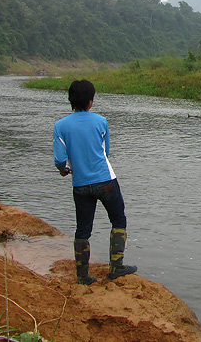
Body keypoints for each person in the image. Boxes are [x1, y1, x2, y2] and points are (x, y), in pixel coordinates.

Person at [53, 79, 137, 284]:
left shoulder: (60, 126)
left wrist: (65, 170)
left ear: (70, 100)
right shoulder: (101, 121)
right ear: (91, 101)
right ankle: (116, 267)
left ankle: (82, 276)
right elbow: (105, 152)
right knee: (118, 220)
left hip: (80, 184)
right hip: (105, 180)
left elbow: (59, 160)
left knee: (83, 229)